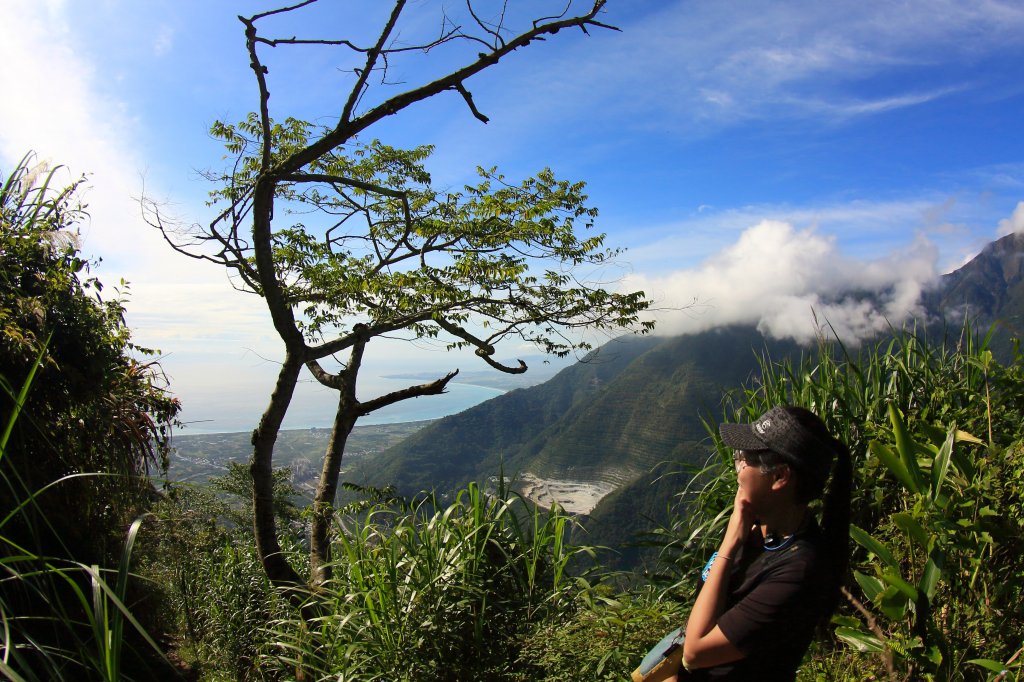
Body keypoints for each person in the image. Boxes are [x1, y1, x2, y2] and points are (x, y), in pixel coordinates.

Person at [638, 405, 852, 682]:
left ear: (779, 477)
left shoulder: (798, 572)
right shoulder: (761, 529)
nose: (737, 466)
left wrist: (728, 545)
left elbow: (696, 653)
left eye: (744, 459)